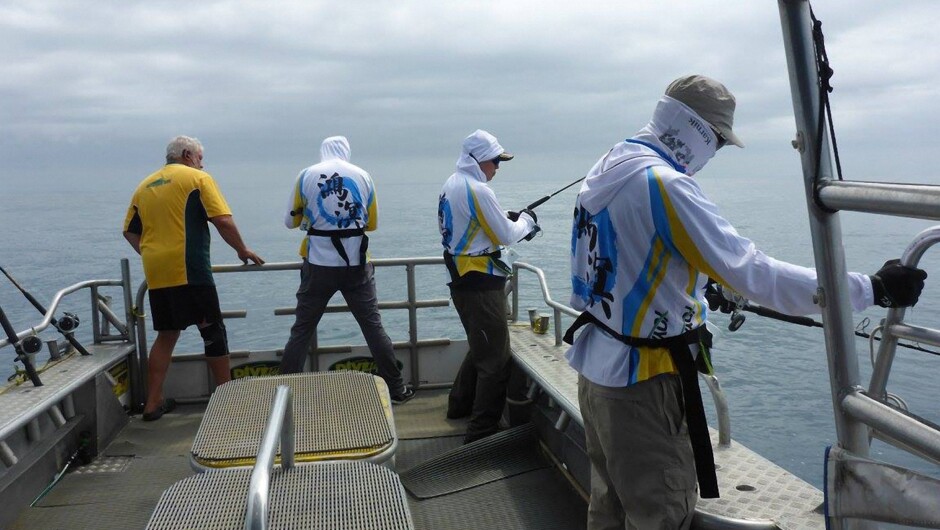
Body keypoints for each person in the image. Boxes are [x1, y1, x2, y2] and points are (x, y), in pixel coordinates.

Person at [564, 75, 927, 529]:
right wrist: (871, 288)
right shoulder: (665, 186)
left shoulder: (611, 165)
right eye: (716, 141)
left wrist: (692, 286)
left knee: (609, 507)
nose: (714, 153)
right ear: (697, 132)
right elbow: (756, 275)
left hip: (597, 370)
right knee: (660, 511)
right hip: (645, 384)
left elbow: (629, 258)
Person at [123, 135, 264, 422]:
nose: (202, 162)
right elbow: (222, 219)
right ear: (187, 154)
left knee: (166, 335)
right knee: (212, 330)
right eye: (200, 157)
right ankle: (227, 399)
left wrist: (151, 254)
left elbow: (129, 231)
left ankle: (152, 403)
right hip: (191, 269)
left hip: (158, 272)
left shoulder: (144, 186)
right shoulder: (198, 179)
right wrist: (242, 249)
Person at [280, 136, 414, 404]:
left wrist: (310, 219)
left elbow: (289, 222)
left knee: (302, 330)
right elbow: (372, 224)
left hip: (318, 265)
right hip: (356, 266)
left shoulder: (306, 175)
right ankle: (396, 389)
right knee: (373, 327)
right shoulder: (363, 176)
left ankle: (283, 395)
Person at [438, 129, 541, 443]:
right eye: (496, 161)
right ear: (479, 160)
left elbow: (475, 226)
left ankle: (459, 406)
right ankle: (481, 434)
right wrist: (527, 222)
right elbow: (506, 235)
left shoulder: (453, 184)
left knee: (481, 345)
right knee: (496, 360)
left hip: (464, 278)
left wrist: (509, 217)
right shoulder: (478, 190)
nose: (498, 167)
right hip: (480, 283)